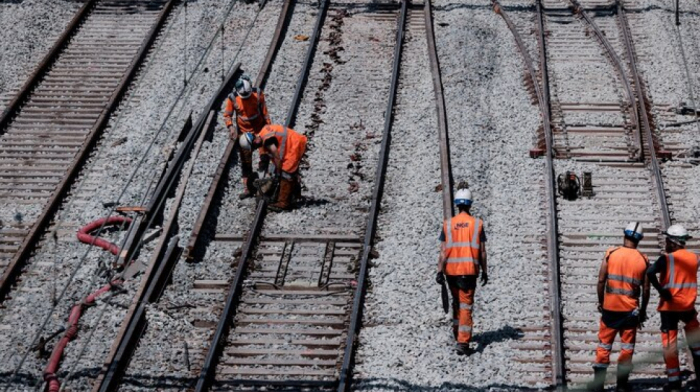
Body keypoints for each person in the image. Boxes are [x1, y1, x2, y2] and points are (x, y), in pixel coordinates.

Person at [588, 222, 649, 392]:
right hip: (631, 311)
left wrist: (601, 303)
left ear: (625, 234)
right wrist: (643, 311)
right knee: (627, 348)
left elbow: (601, 281)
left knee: (604, 346)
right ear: (640, 239)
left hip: (610, 309)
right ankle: (622, 386)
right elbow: (646, 289)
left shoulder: (611, 254)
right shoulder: (643, 260)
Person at [647, 224, 700, 392]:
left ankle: (674, 382)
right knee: (697, 344)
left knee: (669, 345)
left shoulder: (667, 258)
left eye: (667, 240)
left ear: (673, 242)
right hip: (687, 307)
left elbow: (650, 272)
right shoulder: (695, 258)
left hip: (669, 307)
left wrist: (661, 289)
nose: (665, 244)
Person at [436, 188, 487, 356]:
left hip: (451, 271)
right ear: (470, 204)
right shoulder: (477, 224)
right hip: (469, 271)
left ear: (457, 204)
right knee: (465, 306)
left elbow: (443, 251)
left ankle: (457, 332)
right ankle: (463, 342)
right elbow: (482, 252)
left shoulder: (448, 224)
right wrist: (485, 271)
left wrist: (439, 271)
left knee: (456, 302)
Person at [223, 75, 271, 199]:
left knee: (264, 157)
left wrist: (267, 132)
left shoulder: (258, 94)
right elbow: (227, 115)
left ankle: (263, 183)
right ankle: (248, 188)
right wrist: (231, 127)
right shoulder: (233, 98)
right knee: (246, 162)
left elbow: (265, 115)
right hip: (244, 135)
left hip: (260, 131)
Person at [239, 124, 307, 211]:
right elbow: (265, 158)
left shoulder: (267, 140)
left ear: (254, 140)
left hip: (294, 145)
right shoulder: (262, 136)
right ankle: (295, 196)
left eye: (254, 146)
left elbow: (276, 155)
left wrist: (278, 171)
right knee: (289, 173)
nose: (256, 148)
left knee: (286, 173)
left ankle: (283, 203)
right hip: (293, 144)